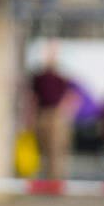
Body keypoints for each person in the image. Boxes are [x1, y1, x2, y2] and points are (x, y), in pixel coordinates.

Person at [29, 43, 78, 180]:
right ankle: (46, 178)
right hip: (43, 113)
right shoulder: (39, 78)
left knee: (56, 149)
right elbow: (33, 97)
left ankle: (56, 178)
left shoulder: (62, 78)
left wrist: (66, 111)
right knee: (43, 148)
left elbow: (73, 95)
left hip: (56, 114)